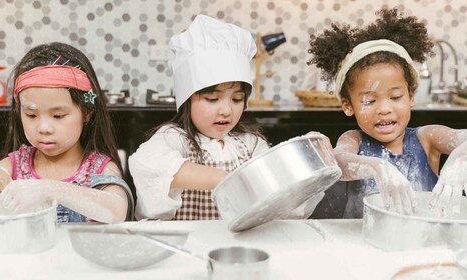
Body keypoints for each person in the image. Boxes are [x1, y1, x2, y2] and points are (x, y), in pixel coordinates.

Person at [129, 15, 324, 220]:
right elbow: (151, 168)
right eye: (213, 99)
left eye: (237, 99)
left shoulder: (250, 144)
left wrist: (307, 154)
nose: (227, 110)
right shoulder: (174, 138)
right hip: (186, 244)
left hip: (237, 247)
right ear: (187, 99)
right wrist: (225, 179)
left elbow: (280, 196)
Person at [307, 8, 467, 218]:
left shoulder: (428, 138)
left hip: (422, 246)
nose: (384, 108)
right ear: (347, 105)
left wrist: (459, 159)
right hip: (365, 245)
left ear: (411, 96)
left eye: (395, 97)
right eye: (369, 100)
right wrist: (378, 167)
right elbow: (339, 160)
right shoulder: (354, 139)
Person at [0, 42, 134, 223]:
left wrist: (47, 189)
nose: (43, 128)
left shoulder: (100, 168)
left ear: (86, 113)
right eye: (31, 115)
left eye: (58, 115)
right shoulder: (12, 167)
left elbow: (116, 211)